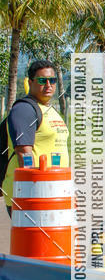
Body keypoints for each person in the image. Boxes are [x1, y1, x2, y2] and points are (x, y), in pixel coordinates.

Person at [3, 60, 69, 217]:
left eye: (52, 80)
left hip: (54, 192)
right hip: (32, 195)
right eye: (42, 80)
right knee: (34, 241)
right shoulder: (24, 110)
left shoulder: (48, 109)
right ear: (30, 82)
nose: (48, 85)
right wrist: (33, 194)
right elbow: (24, 153)